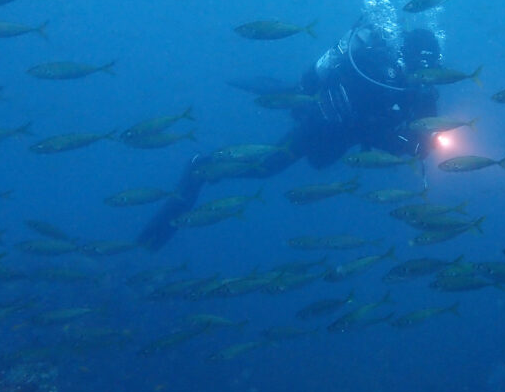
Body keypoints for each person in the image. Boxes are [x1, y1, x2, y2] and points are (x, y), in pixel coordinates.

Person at [138, 18, 442, 250]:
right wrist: (394, 140)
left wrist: (422, 144)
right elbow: (364, 122)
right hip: (320, 123)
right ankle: (201, 168)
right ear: (408, 54)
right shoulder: (377, 68)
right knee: (266, 167)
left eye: (430, 66)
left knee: (284, 138)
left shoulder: (423, 89)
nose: (424, 72)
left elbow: (424, 134)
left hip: (337, 138)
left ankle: (275, 91)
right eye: (421, 63)